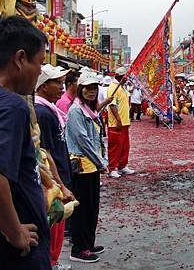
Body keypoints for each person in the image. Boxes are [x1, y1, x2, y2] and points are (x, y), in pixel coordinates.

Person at [0, 16, 50, 270]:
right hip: (7, 254)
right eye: (39, 63)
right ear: (20, 59)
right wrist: (15, 232)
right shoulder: (9, 105)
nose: (40, 71)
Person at [34, 64, 74, 270]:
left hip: (58, 177)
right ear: (42, 86)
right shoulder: (42, 112)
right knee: (54, 224)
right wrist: (59, 184)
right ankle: (51, 263)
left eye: (62, 82)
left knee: (58, 225)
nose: (62, 87)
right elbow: (46, 154)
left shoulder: (50, 110)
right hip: (52, 181)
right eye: (57, 83)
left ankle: (53, 261)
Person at [65, 71, 108, 264]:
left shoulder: (89, 110)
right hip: (82, 166)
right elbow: (83, 140)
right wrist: (100, 161)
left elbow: (97, 137)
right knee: (82, 210)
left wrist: (100, 160)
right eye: (87, 88)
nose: (91, 92)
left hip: (92, 167)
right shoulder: (76, 111)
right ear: (80, 89)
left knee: (92, 207)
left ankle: (88, 243)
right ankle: (79, 248)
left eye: (94, 88)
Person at [106, 67, 135, 179]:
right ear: (121, 76)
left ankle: (122, 165)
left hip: (124, 122)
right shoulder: (113, 87)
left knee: (124, 146)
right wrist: (118, 120)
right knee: (115, 146)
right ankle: (112, 168)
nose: (127, 78)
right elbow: (112, 105)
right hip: (116, 123)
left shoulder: (122, 87)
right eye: (126, 76)